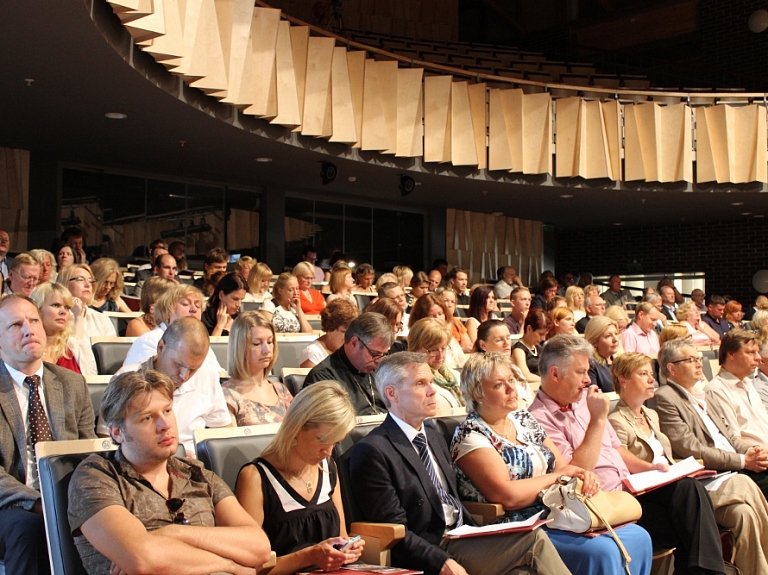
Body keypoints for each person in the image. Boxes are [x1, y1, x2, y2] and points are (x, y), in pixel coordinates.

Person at [349, 352, 572, 575]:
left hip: (465, 535)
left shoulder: (434, 437)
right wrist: (442, 562)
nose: (432, 390)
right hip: (431, 549)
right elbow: (395, 531)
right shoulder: (374, 450)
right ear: (392, 393)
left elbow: (453, 502)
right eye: (420, 384)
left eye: (431, 382)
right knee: (534, 540)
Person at [529, 335, 727, 575]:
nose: (586, 380)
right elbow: (576, 474)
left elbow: (617, 450)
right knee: (693, 527)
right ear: (555, 374)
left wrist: (650, 468)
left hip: (630, 493)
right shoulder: (539, 419)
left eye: (587, 372)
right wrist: (598, 419)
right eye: (580, 372)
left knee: (690, 491)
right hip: (601, 507)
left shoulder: (583, 402)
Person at [452, 352, 652, 575]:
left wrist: (580, 476)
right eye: (499, 385)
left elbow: (561, 466)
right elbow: (507, 495)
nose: (511, 389)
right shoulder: (470, 435)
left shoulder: (524, 420)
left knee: (639, 537)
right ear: (478, 394)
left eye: (511, 380)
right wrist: (558, 477)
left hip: (558, 512)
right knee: (602, 551)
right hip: (519, 528)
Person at [69, 369, 270, 575]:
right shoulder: (95, 477)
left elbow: (259, 547)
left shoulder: (197, 474)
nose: (165, 425)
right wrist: (231, 565)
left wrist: (173, 533)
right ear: (117, 432)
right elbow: (144, 559)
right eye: (147, 418)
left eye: (167, 411)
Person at [609, 351, 768, 575]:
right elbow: (622, 461)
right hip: (648, 492)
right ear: (622, 380)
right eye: (643, 374)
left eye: (650, 373)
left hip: (671, 485)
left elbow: (669, 456)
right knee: (699, 488)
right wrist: (656, 468)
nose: (651, 379)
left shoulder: (651, 414)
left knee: (742, 511)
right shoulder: (615, 420)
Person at [0, 294, 95, 575]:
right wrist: (40, 502)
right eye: (16, 325)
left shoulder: (71, 384)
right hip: (9, 504)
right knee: (29, 528)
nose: (29, 329)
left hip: (66, 496)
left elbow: (87, 450)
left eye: (33, 321)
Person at [235, 381, 364, 575]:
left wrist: (347, 550)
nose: (328, 452)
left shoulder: (328, 468)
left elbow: (341, 536)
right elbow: (248, 566)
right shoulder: (255, 478)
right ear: (297, 427)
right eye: (322, 440)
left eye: (336, 443)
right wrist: (309, 557)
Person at [655, 338, 768, 496]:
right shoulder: (665, 396)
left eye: (699, 359)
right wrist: (743, 460)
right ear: (672, 368)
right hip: (718, 472)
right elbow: (690, 447)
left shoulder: (703, 395)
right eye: (691, 360)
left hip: (738, 464)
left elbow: (729, 437)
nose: (699, 364)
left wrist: (752, 451)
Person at [109, 317, 232, 453]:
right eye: (178, 364)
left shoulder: (208, 377)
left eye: (193, 369)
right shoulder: (125, 380)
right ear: (161, 347)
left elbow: (222, 431)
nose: (184, 376)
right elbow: (109, 439)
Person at [304, 313, 393, 415]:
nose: (379, 361)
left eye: (384, 354)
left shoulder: (380, 372)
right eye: (374, 354)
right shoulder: (323, 378)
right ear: (354, 343)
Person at [123, 284, 222, 373]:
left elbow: (218, 374)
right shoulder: (148, 341)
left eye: (198, 305)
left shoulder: (200, 343)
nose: (194, 309)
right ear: (167, 311)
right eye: (185, 304)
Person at [223, 311, 293, 426]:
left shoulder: (281, 390)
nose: (267, 350)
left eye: (270, 342)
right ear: (240, 347)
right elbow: (230, 443)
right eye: (257, 343)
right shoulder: (227, 396)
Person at [704, 330, 768, 451]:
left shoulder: (748, 384)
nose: (758, 358)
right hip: (756, 459)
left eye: (758, 352)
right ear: (731, 355)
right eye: (751, 352)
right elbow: (733, 439)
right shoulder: (716, 390)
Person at [29, 282, 97, 375]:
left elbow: (91, 382)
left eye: (67, 308)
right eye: (56, 305)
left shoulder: (74, 347)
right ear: (38, 309)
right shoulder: (27, 348)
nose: (63, 312)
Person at [472, 319, 535, 409]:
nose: (506, 343)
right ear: (483, 345)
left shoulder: (515, 368)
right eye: (499, 340)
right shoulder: (481, 374)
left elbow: (532, 398)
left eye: (508, 338)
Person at [408, 318, 464, 413]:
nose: (440, 356)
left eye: (443, 348)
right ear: (415, 348)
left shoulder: (456, 375)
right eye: (433, 350)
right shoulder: (412, 380)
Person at [57, 263, 117, 338]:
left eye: (90, 280)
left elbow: (112, 349)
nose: (88, 284)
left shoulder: (102, 319)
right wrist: (78, 317)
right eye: (80, 279)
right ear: (65, 284)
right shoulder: (57, 318)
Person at [408, 293, 465, 368]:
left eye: (440, 313)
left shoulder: (449, 337)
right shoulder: (419, 340)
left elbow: (463, 362)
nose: (438, 318)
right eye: (433, 316)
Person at [299, 299, 359, 369]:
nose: (350, 337)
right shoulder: (313, 354)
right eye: (344, 331)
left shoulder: (349, 351)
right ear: (330, 327)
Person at [201, 272, 246, 336]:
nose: (239, 305)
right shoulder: (206, 319)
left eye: (241, 300)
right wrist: (220, 325)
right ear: (221, 295)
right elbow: (210, 346)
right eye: (235, 299)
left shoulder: (241, 319)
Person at [511, 308, 549, 384]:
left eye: (545, 335)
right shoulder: (518, 350)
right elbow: (526, 376)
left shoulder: (540, 348)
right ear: (529, 329)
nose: (543, 338)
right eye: (541, 334)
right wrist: (548, 381)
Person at [584, 316, 620, 392]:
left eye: (616, 334)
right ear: (594, 342)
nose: (616, 339)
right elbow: (593, 397)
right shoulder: (590, 365)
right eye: (608, 336)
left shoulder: (619, 362)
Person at [435, 287, 473, 354]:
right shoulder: (432, 323)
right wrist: (460, 350)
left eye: (453, 302)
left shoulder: (456, 322)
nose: (450, 305)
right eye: (446, 301)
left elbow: (468, 346)